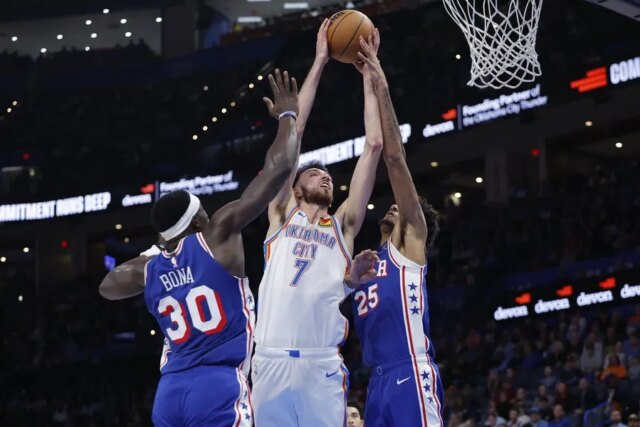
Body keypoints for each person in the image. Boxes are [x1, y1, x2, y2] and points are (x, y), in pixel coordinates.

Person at [99, 69, 300, 426]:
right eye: (203, 211)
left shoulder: (148, 268)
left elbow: (107, 286)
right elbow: (279, 167)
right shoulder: (217, 235)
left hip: (169, 393)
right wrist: (288, 115)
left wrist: (157, 252)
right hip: (217, 384)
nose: (209, 215)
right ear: (195, 221)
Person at [251, 18, 385, 427]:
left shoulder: (343, 226)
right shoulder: (280, 213)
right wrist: (321, 59)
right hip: (269, 360)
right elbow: (295, 134)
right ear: (294, 188)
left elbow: (374, 146)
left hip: (320, 364)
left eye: (327, 176)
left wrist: (370, 77)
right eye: (314, 173)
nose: (325, 177)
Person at [350, 32, 444, 426]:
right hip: (376, 383)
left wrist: (380, 84)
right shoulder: (365, 262)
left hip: (410, 371)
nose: (395, 204)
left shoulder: (409, 245)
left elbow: (393, 158)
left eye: (404, 208)